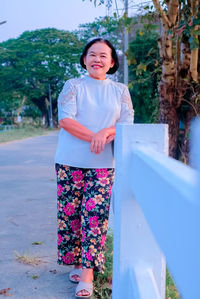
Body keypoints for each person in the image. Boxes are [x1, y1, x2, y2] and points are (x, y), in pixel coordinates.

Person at [55, 37, 134, 298]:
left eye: (103, 55)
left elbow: (126, 124)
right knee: (72, 218)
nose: (97, 59)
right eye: (92, 54)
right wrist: (95, 137)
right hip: (69, 161)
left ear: (112, 62)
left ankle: (87, 274)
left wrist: (107, 131)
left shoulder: (120, 90)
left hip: (103, 164)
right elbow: (66, 120)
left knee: (95, 218)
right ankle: (77, 263)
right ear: (84, 59)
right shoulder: (73, 85)